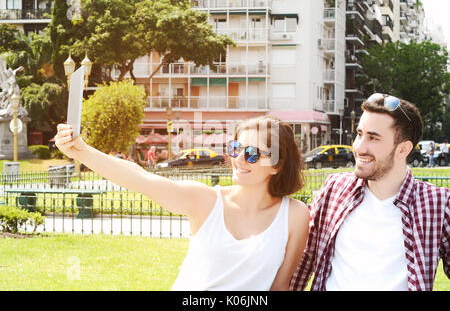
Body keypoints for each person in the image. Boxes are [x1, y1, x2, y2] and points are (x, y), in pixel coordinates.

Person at [54, 115, 309, 290]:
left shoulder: (295, 215)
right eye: (235, 148)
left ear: (276, 165)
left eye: (252, 154)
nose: (239, 159)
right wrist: (80, 150)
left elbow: (280, 286)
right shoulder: (206, 201)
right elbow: (141, 178)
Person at [290, 93, 449, 291]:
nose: (359, 147)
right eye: (359, 134)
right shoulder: (334, 189)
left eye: (373, 138)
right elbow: (303, 263)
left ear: (403, 150)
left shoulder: (437, 203)